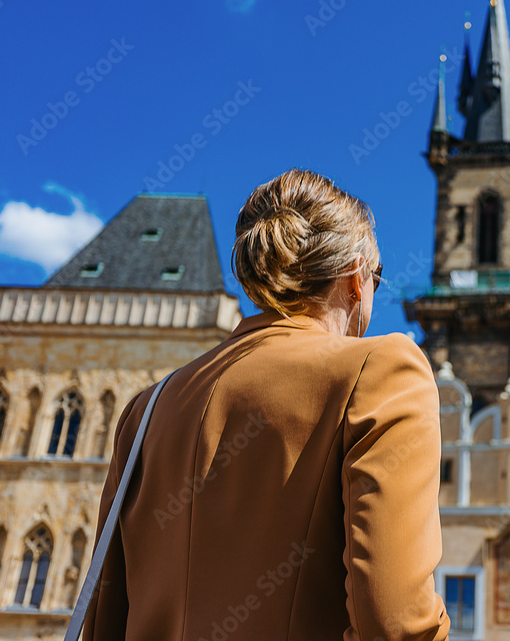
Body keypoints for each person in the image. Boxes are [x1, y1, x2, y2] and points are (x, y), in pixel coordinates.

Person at [83, 168, 451, 640]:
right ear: (357, 278)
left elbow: (102, 619)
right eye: (378, 279)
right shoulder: (382, 369)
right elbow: (396, 621)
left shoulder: (147, 409)